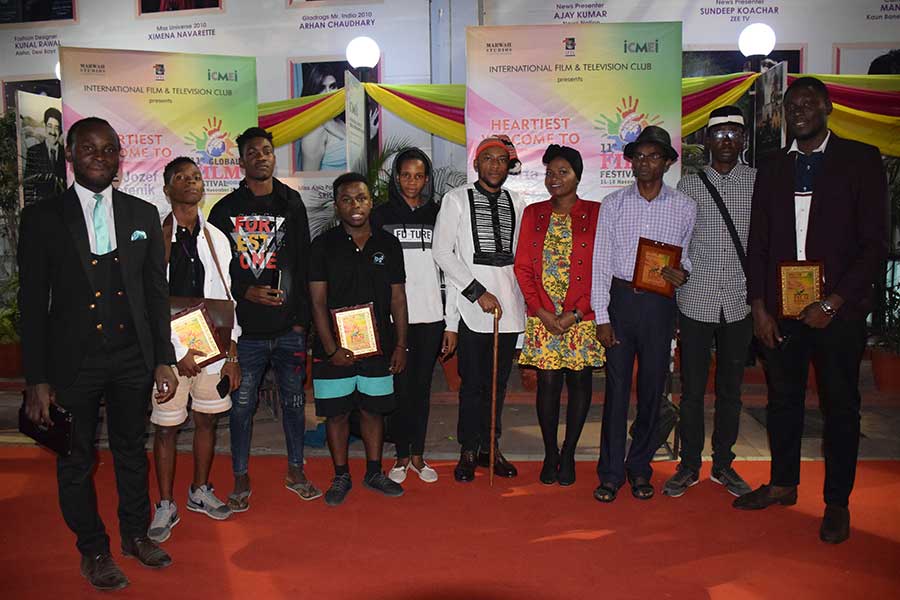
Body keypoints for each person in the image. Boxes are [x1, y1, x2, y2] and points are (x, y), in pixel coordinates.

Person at [19, 117, 179, 591]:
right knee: (75, 460)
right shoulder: (43, 217)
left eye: (109, 149)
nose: (100, 156)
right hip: (73, 362)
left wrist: (163, 358)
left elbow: (155, 294)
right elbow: (33, 303)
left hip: (132, 357)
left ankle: (135, 534)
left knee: (131, 452)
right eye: (88, 148)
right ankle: (93, 550)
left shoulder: (142, 214)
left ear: (119, 159)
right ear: (70, 154)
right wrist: (37, 379)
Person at [735, 77, 888, 545]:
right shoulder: (773, 168)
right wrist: (759, 307)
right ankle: (783, 484)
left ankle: (837, 503)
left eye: (807, 103)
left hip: (838, 313)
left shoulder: (859, 160)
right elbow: (758, 243)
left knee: (840, 407)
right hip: (781, 312)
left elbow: (874, 245)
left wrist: (832, 302)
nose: (798, 111)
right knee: (782, 401)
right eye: (791, 105)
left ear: (827, 108)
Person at [208, 127, 319, 511]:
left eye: (267, 151)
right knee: (241, 407)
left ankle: (296, 470)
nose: (261, 157)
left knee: (294, 403)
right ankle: (240, 474)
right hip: (245, 333)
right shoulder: (224, 210)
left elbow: (303, 263)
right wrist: (245, 291)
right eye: (253, 152)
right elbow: (216, 271)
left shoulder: (292, 203)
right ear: (242, 161)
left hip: (289, 329)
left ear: (274, 157)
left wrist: (301, 323)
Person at [591, 125, 696, 503]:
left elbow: (686, 258)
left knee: (653, 389)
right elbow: (601, 262)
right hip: (621, 303)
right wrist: (602, 316)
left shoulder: (685, 207)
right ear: (631, 162)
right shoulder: (613, 204)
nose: (645, 162)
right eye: (639, 156)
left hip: (659, 306)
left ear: (667, 162)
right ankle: (610, 474)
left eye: (654, 156)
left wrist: (682, 273)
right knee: (617, 391)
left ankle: (639, 468)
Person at [147, 157, 242, 543]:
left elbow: (228, 298)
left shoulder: (217, 238)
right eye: (181, 177)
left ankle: (199, 490)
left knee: (208, 420)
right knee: (166, 427)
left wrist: (232, 353)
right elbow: (151, 302)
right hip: (171, 355)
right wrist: (176, 351)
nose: (191, 182)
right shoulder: (155, 237)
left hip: (213, 350)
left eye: (196, 176)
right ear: (167, 189)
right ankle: (165, 504)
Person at [663, 106, 755, 499]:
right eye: (719, 133)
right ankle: (688, 466)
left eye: (734, 133)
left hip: (740, 300)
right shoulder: (689, 186)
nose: (727, 140)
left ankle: (723, 465)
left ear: (744, 139)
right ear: (706, 140)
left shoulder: (757, 183)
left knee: (731, 391)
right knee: (693, 391)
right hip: (696, 298)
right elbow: (676, 240)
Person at [309, 172, 408, 506]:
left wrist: (401, 344)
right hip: (333, 349)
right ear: (337, 205)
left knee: (373, 411)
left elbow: (398, 299)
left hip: (378, 348)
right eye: (347, 199)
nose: (355, 205)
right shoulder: (322, 246)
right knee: (336, 414)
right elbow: (317, 302)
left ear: (371, 202)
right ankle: (341, 475)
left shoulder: (388, 244)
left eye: (362, 198)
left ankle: (374, 472)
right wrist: (331, 349)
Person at [433, 135, 527, 482]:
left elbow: (521, 260)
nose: (495, 165)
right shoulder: (456, 199)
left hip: (509, 311)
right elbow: (442, 253)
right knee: (472, 385)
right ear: (476, 164)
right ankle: (468, 449)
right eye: (488, 159)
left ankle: (491, 447)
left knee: (498, 386)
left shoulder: (518, 202)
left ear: (508, 166)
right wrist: (478, 293)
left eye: (501, 160)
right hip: (473, 309)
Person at [514, 145, 603, 486]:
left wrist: (576, 313)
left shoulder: (596, 213)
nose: (555, 178)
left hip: (581, 318)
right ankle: (550, 452)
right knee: (548, 386)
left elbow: (603, 267)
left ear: (578, 176)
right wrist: (541, 312)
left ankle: (569, 453)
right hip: (543, 319)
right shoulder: (533, 213)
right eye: (550, 173)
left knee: (580, 384)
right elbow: (523, 267)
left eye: (563, 172)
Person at [372, 147, 458, 484]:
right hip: (395, 320)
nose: (412, 182)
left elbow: (451, 270)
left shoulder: (438, 214)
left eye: (419, 176)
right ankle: (401, 455)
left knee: (421, 389)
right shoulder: (380, 216)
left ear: (427, 179)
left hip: (431, 316)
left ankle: (418, 456)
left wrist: (450, 322)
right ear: (397, 177)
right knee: (399, 388)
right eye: (406, 175)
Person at [23, 106, 66, 205]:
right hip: (41, 207)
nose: (53, 132)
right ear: (45, 127)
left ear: (61, 130)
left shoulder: (66, 153)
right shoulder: (33, 151)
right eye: (50, 126)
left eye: (57, 127)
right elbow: (28, 184)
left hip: (63, 208)